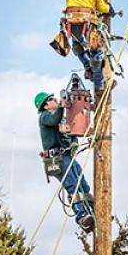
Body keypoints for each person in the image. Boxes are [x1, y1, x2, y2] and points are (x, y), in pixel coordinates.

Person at [36, 92, 95, 233]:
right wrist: (62, 106)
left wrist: (74, 142)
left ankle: (92, 214)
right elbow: (54, 120)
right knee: (72, 185)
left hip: (67, 156)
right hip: (57, 159)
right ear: (45, 105)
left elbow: (71, 133)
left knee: (83, 185)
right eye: (51, 99)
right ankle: (81, 217)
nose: (55, 99)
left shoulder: (61, 119)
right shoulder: (44, 117)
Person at [62, 0, 114, 90]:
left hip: (72, 18)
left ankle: (88, 68)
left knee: (78, 46)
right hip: (86, 18)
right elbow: (100, 6)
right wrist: (109, 9)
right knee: (96, 50)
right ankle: (99, 83)